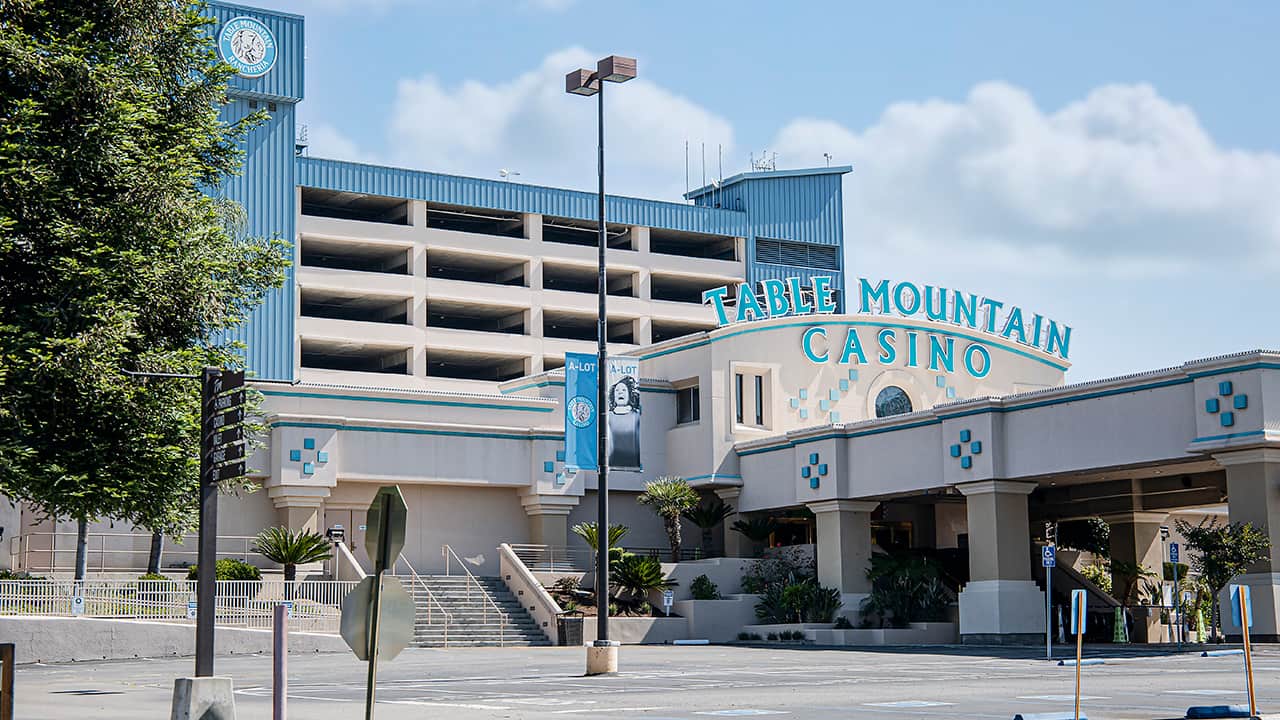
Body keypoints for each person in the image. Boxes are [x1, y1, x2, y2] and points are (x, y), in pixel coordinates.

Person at [606, 375, 641, 469]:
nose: (620, 393)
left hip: (633, 463)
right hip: (611, 464)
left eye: (623, 390)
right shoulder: (607, 416)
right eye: (617, 390)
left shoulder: (636, 415)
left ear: (630, 393)